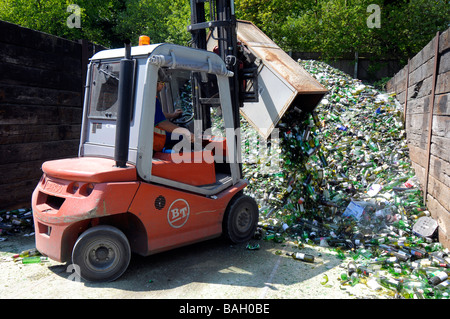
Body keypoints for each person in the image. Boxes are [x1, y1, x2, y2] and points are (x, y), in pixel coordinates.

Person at [153, 80, 194, 152]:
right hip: (157, 139)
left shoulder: (146, 97)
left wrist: (173, 115)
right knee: (184, 137)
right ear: (155, 82)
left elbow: (157, 114)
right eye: (162, 83)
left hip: (154, 138)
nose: (163, 86)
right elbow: (162, 123)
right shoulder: (152, 99)